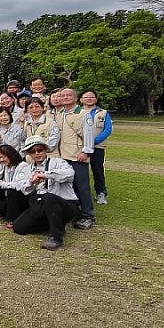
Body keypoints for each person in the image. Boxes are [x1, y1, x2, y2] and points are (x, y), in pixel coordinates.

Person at [12, 135, 80, 250]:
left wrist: (45, 175)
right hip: (43, 206)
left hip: (66, 204)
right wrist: (32, 182)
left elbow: (69, 174)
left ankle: (56, 237)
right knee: (19, 227)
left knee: (49, 197)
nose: (37, 153)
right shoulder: (29, 168)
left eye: (40, 150)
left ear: (45, 150)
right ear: (29, 154)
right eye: (33, 151)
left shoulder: (57, 162)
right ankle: (54, 225)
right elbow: (23, 189)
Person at [57, 88, 96, 230]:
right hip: (63, 156)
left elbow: (89, 134)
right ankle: (75, 212)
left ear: (76, 98)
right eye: (63, 95)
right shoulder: (60, 113)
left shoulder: (83, 113)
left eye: (69, 95)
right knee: (68, 186)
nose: (65, 97)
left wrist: (86, 152)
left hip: (77, 155)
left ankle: (88, 215)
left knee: (82, 186)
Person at [80, 89, 113, 205]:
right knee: (80, 171)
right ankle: (81, 194)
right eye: (86, 97)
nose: (89, 98)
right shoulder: (77, 112)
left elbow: (108, 129)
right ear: (81, 99)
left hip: (97, 147)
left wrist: (93, 141)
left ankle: (101, 193)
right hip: (80, 147)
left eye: (92, 97)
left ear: (96, 99)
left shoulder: (103, 113)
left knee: (98, 170)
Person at [0, 144, 30, 227]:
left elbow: (19, 185)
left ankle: (13, 219)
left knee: (12, 191)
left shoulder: (23, 166)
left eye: (3, 157)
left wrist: (1, 184)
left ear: (11, 155)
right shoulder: (5, 166)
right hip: (8, 197)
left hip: (23, 197)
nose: (1, 159)